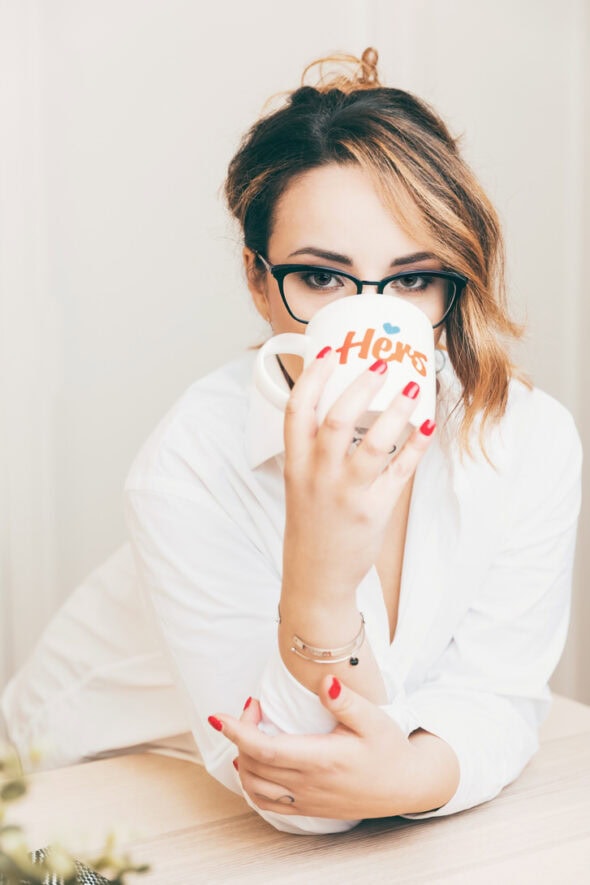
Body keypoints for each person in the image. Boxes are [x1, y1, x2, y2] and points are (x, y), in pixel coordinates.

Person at [1, 48, 582, 835]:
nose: (373, 320)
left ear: (454, 280)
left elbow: (499, 696)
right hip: (74, 786)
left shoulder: (528, 439)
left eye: (413, 279)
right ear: (256, 278)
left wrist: (414, 774)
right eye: (322, 278)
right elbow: (289, 791)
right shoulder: (189, 464)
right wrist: (319, 570)